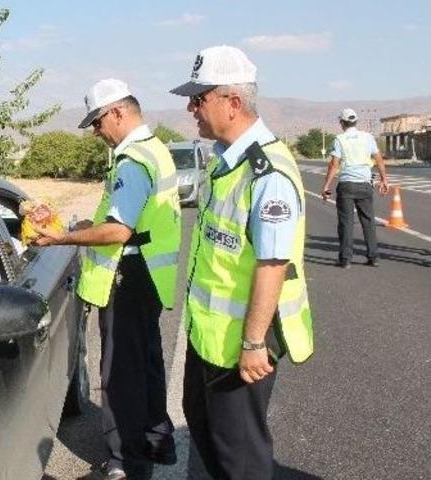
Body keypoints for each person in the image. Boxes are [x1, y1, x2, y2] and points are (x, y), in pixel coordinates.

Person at [169, 45, 314, 479]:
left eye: (199, 99)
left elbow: (272, 263)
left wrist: (253, 343)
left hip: (241, 347)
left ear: (232, 103)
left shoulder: (265, 173)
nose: (192, 109)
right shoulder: (224, 163)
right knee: (205, 430)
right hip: (209, 339)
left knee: (242, 458)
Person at [34, 78, 181, 479]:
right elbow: (117, 219)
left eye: (97, 123)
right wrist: (76, 224)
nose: (96, 133)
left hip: (128, 277)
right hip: (147, 275)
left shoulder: (132, 161)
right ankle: (155, 441)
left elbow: (117, 230)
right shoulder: (153, 150)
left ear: (118, 112)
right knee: (146, 364)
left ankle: (125, 463)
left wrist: (62, 237)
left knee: (120, 376)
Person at [321, 108, 390, 268]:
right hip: (365, 184)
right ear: (355, 121)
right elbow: (379, 159)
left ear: (342, 123)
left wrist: (326, 186)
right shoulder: (368, 137)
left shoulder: (340, 139)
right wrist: (384, 179)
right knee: (368, 221)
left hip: (347, 185)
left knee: (346, 222)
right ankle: (373, 257)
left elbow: (334, 165)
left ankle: (345, 260)